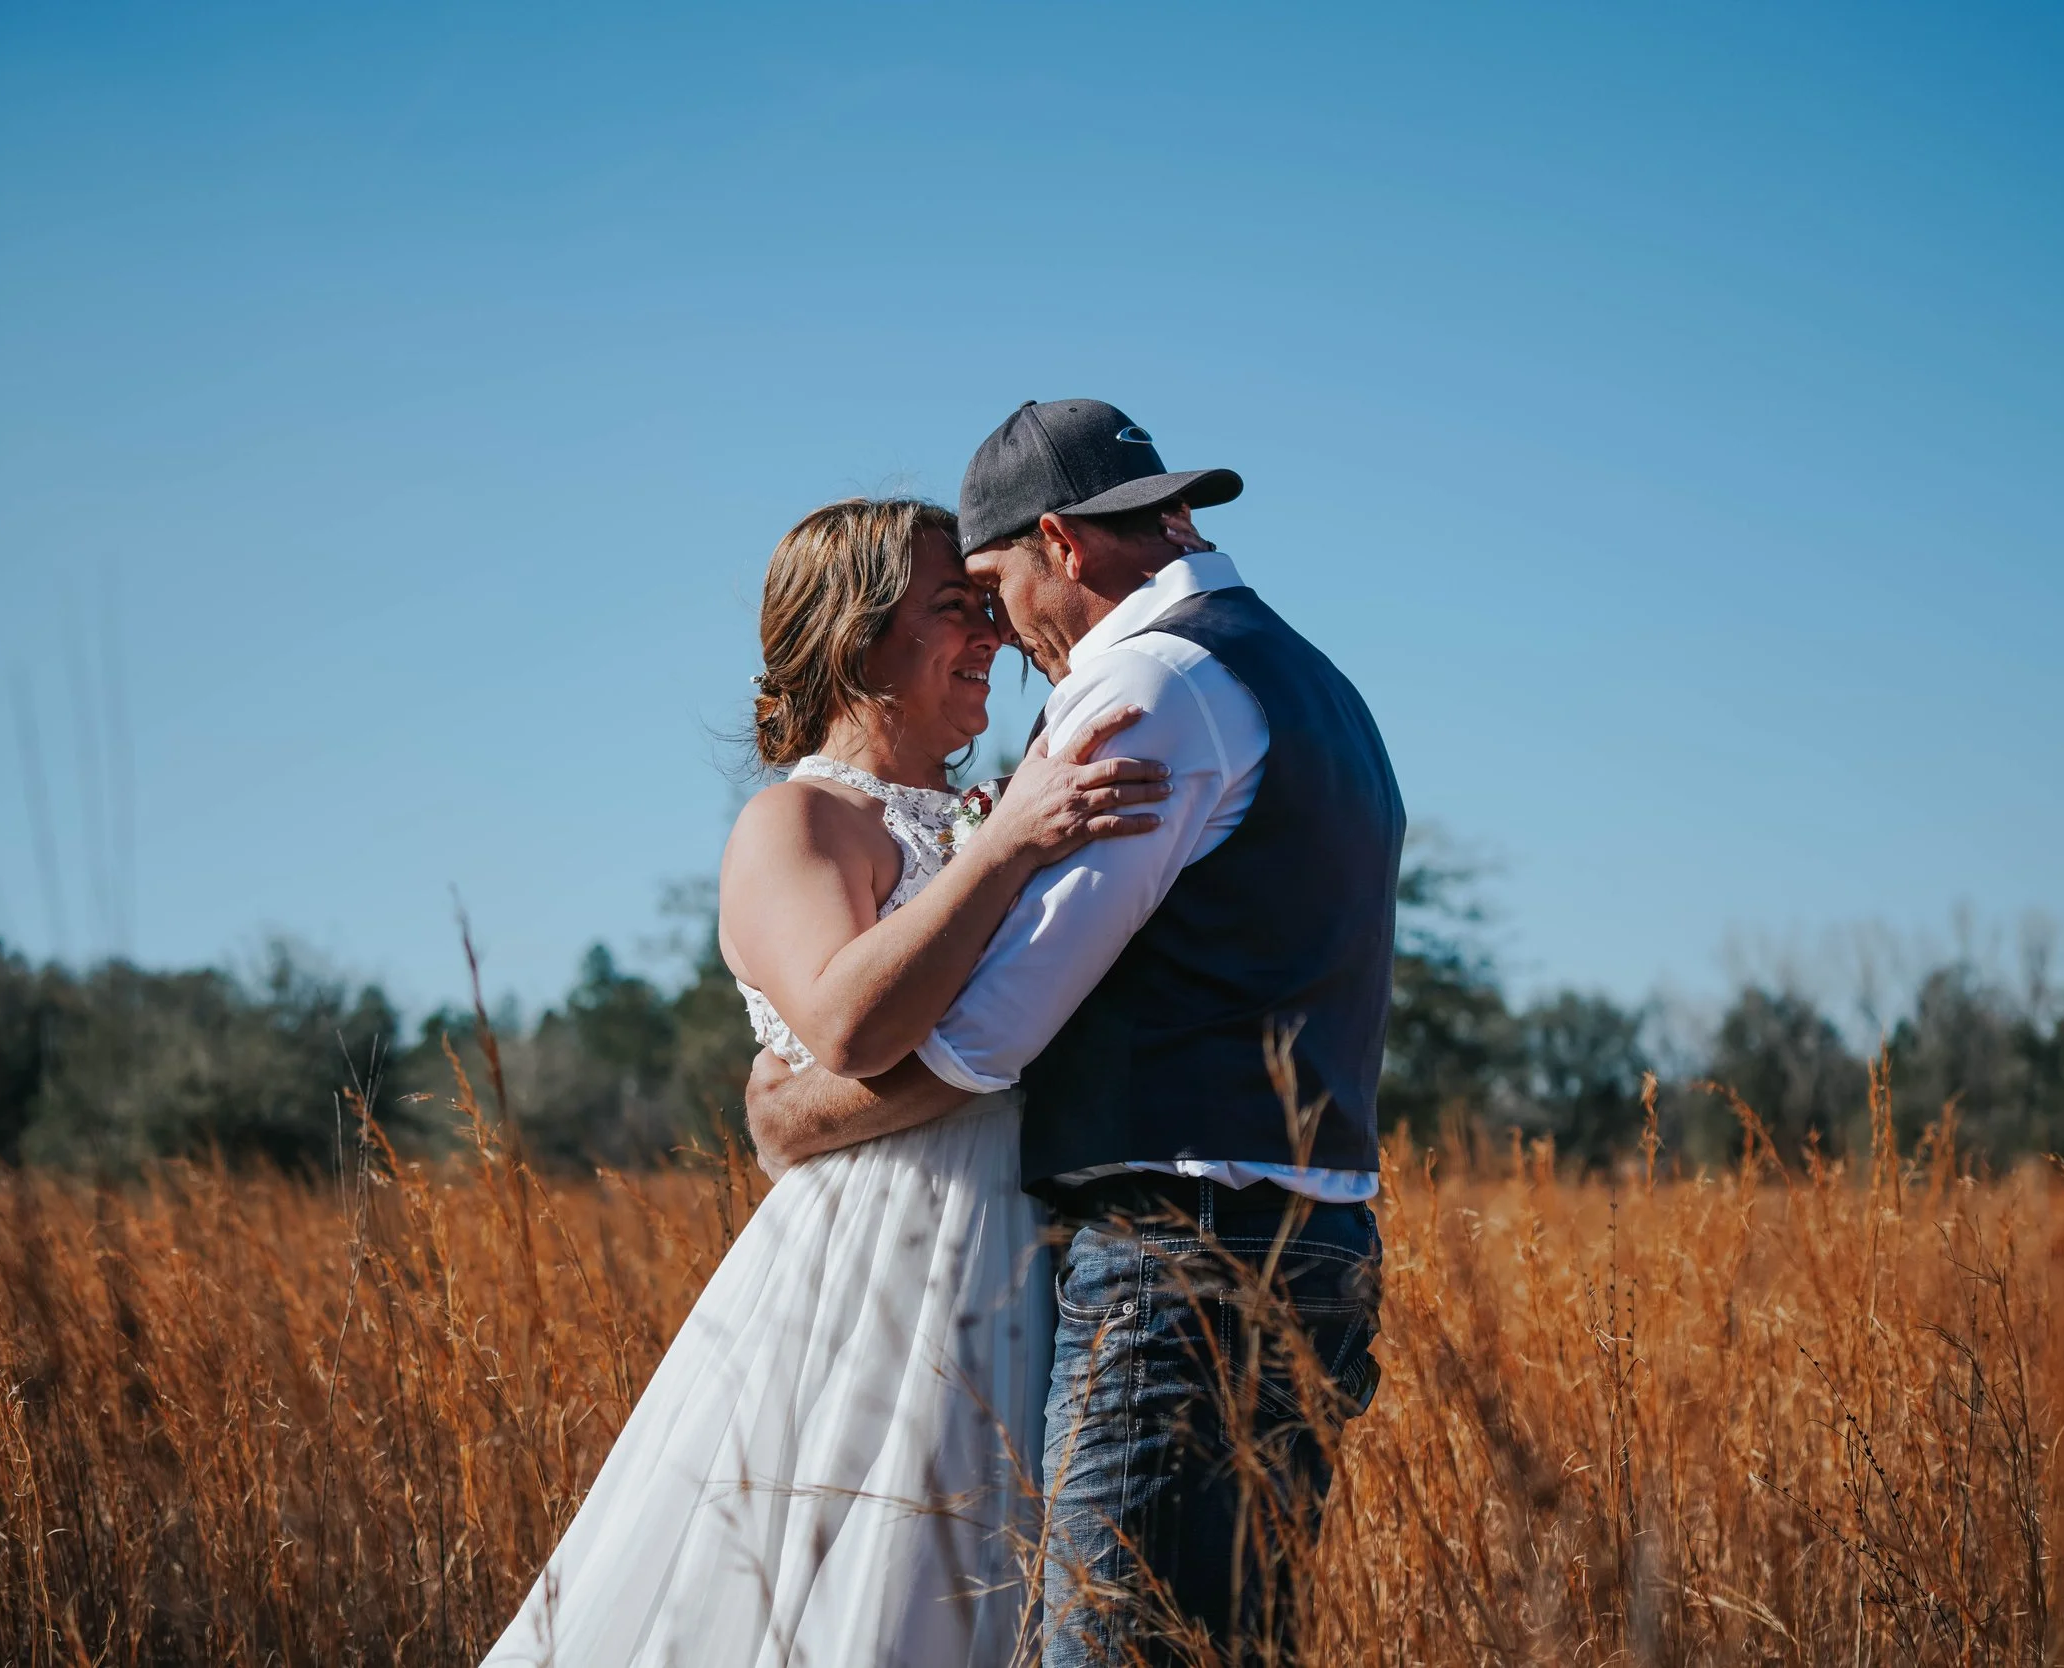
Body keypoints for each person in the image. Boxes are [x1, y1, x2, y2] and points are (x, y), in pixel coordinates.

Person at [750, 400, 1405, 1666]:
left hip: (1183, 1257)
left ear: (1058, 539)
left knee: (1115, 1649)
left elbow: (993, 1029)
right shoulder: (1309, 678)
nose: (1000, 629)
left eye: (993, 586)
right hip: (1307, 1239)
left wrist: (794, 1113)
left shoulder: (1144, 680)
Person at [480, 494, 1184, 1668]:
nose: (995, 635)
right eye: (953, 609)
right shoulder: (796, 821)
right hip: (885, 1273)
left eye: (986, 606)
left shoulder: (990, 802)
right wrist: (1008, 843)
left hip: (1036, 1246)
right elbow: (851, 1026)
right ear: (858, 641)